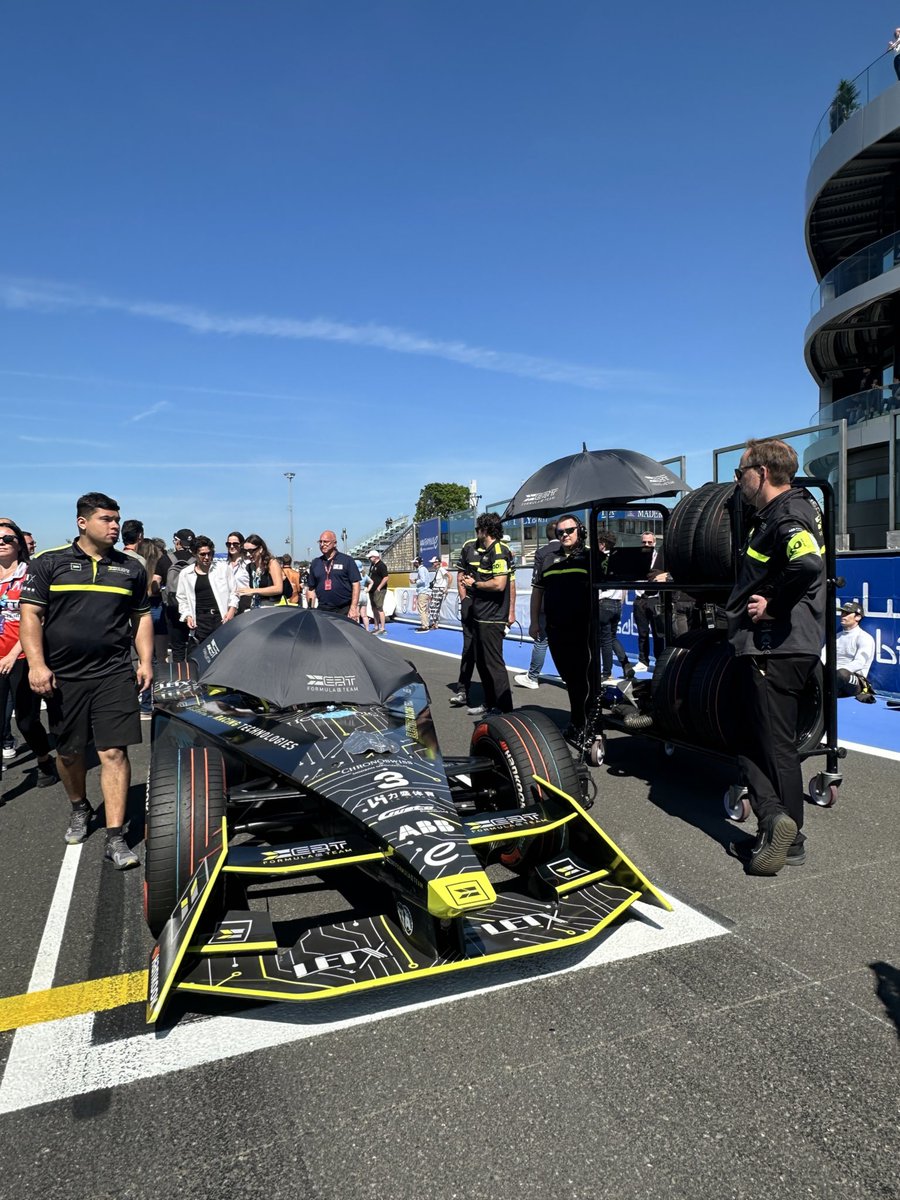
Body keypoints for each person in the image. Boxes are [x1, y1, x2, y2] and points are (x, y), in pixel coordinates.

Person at [19, 492, 152, 868]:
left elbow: (141, 617)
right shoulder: (50, 563)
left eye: (116, 519)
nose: (115, 526)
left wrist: (145, 661)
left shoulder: (131, 568)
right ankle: (79, 805)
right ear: (83, 522)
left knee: (113, 751)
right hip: (64, 676)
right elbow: (31, 615)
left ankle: (115, 836)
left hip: (113, 671)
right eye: (107, 519)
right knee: (70, 752)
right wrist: (37, 664)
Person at [725, 439, 826, 876]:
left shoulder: (787, 512)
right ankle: (775, 819)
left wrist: (773, 605)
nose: (738, 480)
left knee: (775, 745)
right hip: (783, 644)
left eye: (740, 472)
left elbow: (806, 565)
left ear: (761, 472)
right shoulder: (782, 512)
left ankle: (789, 836)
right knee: (749, 737)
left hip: (776, 644)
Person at [0, 518, 59, 796]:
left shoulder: (29, 574)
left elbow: (39, 619)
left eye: (7, 538)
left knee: (25, 720)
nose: (1, 543)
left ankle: (45, 760)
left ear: (19, 545)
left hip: (22, 657)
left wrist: (14, 653)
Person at [529, 514, 591, 740]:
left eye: (569, 531)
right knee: (569, 677)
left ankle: (585, 724)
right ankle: (579, 720)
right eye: (560, 532)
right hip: (555, 628)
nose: (565, 535)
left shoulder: (589, 557)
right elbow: (537, 592)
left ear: (580, 531)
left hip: (583, 629)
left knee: (583, 678)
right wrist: (534, 622)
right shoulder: (547, 559)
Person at [457, 512, 514, 716]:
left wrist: (475, 584)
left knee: (494, 664)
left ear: (485, 530)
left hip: (492, 617)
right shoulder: (489, 550)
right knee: (482, 662)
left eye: (478, 530)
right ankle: (490, 703)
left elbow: (500, 584)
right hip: (481, 615)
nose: (477, 534)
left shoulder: (499, 550)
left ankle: (504, 708)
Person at [515, 521, 558, 689]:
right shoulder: (572, 551)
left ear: (547, 535)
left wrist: (534, 618)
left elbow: (537, 585)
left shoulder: (542, 552)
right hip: (567, 605)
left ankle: (532, 676)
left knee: (541, 641)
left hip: (546, 606)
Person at [177, 536, 239, 643]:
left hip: (221, 617)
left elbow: (234, 592)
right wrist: (187, 616)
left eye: (209, 554)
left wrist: (231, 612)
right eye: (202, 554)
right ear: (194, 554)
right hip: (200, 620)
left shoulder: (223, 569)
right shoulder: (186, 574)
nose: (207, 557)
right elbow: (182, 599)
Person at [596, 532, 634, 685]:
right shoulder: (619, 560)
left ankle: (606, 672)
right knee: (612, 637)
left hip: (604, 602)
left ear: (603, 544)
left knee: (605, 640)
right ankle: (626, 664)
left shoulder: (600, 559)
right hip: (617, 603)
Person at [158, 528, 196, 663]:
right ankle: (194, 676)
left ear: (177, 542)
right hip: (193, 607)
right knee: (194, 644)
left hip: (173, 606)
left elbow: (156, 581)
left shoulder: (164, 559)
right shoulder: (197, 560)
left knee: (177, 646)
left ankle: (179, 676)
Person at [826, 600, 875, 700]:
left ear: (858, 617)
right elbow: (823, 656)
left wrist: (833, 673)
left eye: (847, 613)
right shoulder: (835, 637)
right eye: (842, 612)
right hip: (833, 677)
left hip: (855, 680)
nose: (843, 615)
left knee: (842, 674)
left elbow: (859, 663)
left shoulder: (865, 637)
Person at [306, 530, 361, 619]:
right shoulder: (316, 563)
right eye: (320, 542)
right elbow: (311, 588)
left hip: (343, 609)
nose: (322, 544)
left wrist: (353, 607)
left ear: (334, 543)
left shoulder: (347, 560)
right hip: (322, 609)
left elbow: (356, 584)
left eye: (326, 541)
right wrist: (310, 609)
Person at [633, 531, 665, 672]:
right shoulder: (636, 558)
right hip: (640, 599)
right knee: (642, 633)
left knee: (658, 634)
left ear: (654, 543)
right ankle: (643, 661)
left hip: (655, 600)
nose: (646, 545)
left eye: (649, 542)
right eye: (644, 542)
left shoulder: (659, 558)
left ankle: (659, 660)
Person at [237, 534, 285, 609]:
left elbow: (278, 588)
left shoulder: (272, 563)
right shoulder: (250, 566)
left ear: (261, 549)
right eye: (245, 551)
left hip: (272, 608)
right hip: (256, 608)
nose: (248, 554)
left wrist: (253, 591)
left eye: (251, 551)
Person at [366, 550, 389, 634]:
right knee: (374, 608)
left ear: (375, 557)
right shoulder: (372, 565)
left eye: (370, 557)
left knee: (379, 608)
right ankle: (376, 626)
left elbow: (386, 577)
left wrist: (379, 587)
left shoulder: (381, 565)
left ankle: (382, 628)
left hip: (379, 590)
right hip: (372, 590)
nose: (369, 558)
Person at [427, 556, 448, 630]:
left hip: (439, 589)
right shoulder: (438, 570)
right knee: (433, 607)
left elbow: (450, 576)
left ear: (438, 562)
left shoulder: (442, 569)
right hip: (436, 589)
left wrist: (446, 588)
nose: (433, 564)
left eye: (434, 562)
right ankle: (434, 623)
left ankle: (434, 623)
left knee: (434, 607)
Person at [410, 557, 431, 632]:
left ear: (417, 562)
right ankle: (426, 624)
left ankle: (425, 626)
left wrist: (415, 581)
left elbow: (422, 580)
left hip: (423, 591)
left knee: (422, 609)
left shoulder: (421, 569)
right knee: (424, 609)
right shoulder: (424, 569)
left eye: (414, 563)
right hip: (425, 591)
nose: (413, 564)